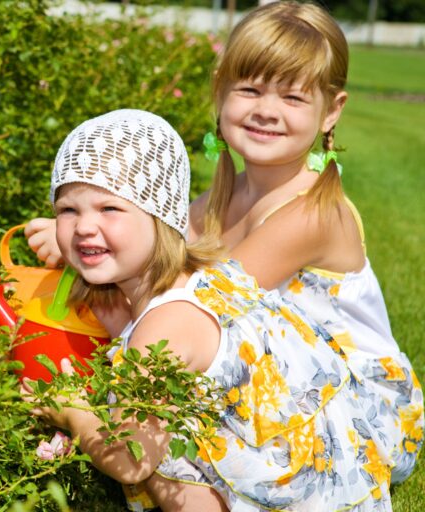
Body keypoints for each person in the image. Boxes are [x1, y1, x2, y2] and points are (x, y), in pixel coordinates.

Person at [24, 1, 423, 485]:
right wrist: (82, 233)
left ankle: (131, 450)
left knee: (173, 351)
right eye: (250, 90)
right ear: (220, 90)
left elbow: (203, 300)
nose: (266, 111)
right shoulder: (220, 197)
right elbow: (155, 255)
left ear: (330, 111)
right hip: (281, 392)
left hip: (359, 408)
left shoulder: (312, 214)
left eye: (293, 98)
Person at [23, 108, 393, 511]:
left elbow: (129, 460)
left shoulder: (168, 323)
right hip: (330, 468)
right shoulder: (201, 275)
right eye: (68, 210)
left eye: (109, 209)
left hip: (302, 496)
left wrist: (72, 412)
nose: (83, 227)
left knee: (161, 453)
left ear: (160, 217)